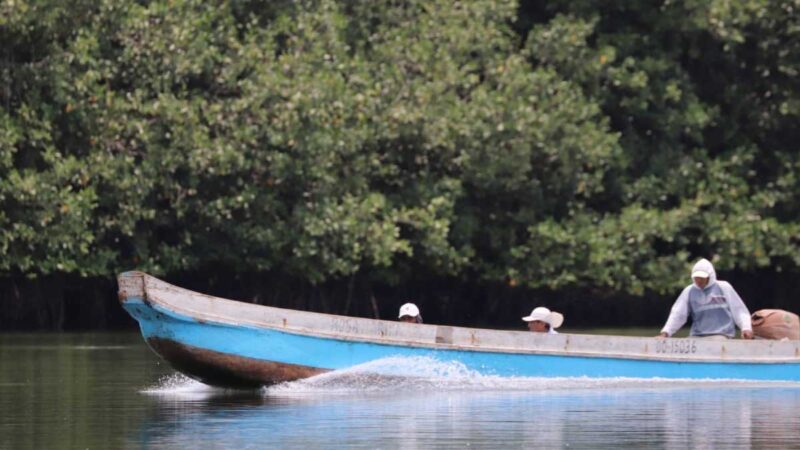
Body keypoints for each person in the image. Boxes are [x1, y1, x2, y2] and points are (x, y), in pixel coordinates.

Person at [659, 258, 753, 339]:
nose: (699, 281)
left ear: (710, 276)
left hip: (721, 334)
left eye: (702, 278)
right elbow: (678, 314)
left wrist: (746, 328)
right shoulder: (689, 291)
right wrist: (666, 332)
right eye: (696, 277)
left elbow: (739, 310)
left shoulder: (724, 287)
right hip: (697, 335)